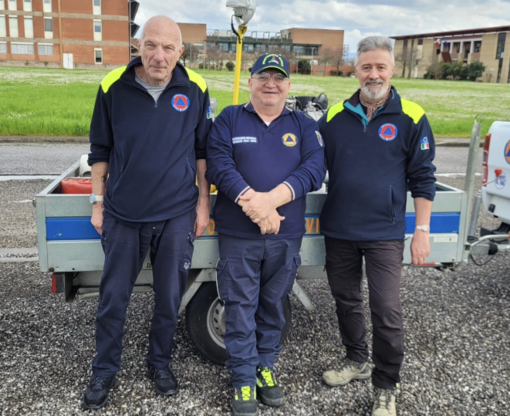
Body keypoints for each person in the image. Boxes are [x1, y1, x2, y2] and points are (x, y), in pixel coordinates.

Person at [82, 16, 212, 410]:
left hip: (176, 213)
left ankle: (160, 363)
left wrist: (203, 203)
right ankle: (104, 369)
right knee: (113, 298)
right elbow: (100, 150)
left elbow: (202, 153)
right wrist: (98, 203)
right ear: (137, 45)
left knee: (169, 298)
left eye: (168, 48)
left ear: (180, 51)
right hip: (124, 213)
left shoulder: (196, 88)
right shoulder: (112, 87)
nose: (159, 56)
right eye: (151, 45)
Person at [318, 36, 436, 416]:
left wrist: (421, 231)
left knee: (386, 309)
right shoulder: (334, 116)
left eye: (380, 67)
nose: (373, 74)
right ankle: (356, 360)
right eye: (366, 67)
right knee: (346, 301)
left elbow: (424, 179)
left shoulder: (413, 117)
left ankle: (386, 385)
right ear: (355, 71)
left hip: (385, 232)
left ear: (392, 70)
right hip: (339, 229)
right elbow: (306, 160)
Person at [206, 53, 326, 416]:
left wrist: (269, 203)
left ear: (289, 85)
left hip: (285, 234)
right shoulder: (229, 118)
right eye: (263, 76)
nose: (270, 83)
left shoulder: (303, 124)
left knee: (272, 307)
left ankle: (264, 368)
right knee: (240, 307)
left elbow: (314, 169)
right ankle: (243, 379)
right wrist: (252, 204)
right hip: (238, 235)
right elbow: (218, 164)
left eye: (278, 78)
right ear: (250, 82)